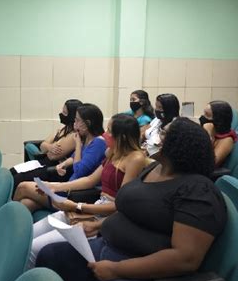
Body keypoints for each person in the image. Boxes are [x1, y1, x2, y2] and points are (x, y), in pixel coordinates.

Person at [36, 118, 227, 281]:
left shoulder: (198, 191)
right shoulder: (154, 168)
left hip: (141, 267)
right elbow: (132, 209)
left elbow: (185, 259)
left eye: (162, 133)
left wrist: (117, 269)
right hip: (107, 246)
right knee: (49, 256)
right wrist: (98, 225)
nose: (152, 136)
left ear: (179, 146)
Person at [27, 114, 149, 268]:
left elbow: (120, 205)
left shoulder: (135, 159)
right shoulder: (113, 152)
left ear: (122, 136)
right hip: (93, 208)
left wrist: (77, 206)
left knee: (34, 248)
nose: (105, 134)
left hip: (103, 217)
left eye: (110, 131)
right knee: (27, 236)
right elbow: (90, 180)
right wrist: (54, 186)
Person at [14, 103, 107, 213]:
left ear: (87, 124)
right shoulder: (87, 139)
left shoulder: (98, 144)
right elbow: (73, 158)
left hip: (75, 195)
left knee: (22, 187)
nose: (75, 124)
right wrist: (63, 164)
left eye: (77, 121)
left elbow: (79, 170)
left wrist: (77, 144)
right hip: (68, 188)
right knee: (26, 203)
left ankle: (1, 220)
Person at [12, 100, 83, 192]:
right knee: (12, 171)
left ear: (72, 116)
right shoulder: (62, 129)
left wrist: (48, 147)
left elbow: (53, 156)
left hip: (54, 169)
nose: (61, 114)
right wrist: (49, 147)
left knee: (17, 178)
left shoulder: (74, 135)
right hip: (44, 161)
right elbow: (42, 146)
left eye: (65, 113)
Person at [199, 101, 237, 167]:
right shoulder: (209, 132)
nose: (203, 117)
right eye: (204, 114)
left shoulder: (227, 140)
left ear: (218, 120)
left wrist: (208, 135)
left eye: (207, 115)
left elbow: (210, 163)